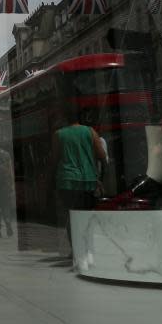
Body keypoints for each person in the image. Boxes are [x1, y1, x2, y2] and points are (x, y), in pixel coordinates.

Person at [51, 104, 106, 253]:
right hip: (88, 181)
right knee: (87, 217)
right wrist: (100, 175)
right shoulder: (90, 132)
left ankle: (76, 250)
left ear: (64, 119)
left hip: (67, 181)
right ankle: (89, 249)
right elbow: (102, 156)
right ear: (80, 118)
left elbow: (55, 160)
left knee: (71, 217)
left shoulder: (59, 135)